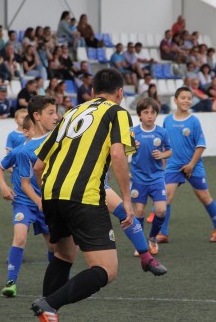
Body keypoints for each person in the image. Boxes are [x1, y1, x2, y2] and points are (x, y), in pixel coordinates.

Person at [30, 68, 136, 320]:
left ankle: (47, 313)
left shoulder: (71, 113)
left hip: (53, 192)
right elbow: (118, 154)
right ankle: (48, 304)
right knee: (106, 269)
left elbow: (38, 165)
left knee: (64, 255)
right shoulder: (116, 111)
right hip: (84, 195)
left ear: (92, 92)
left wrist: (47, 196)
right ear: (119, 92)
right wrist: (127, 200)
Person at [0, 97, 59, 298]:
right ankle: (11, 281)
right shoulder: (21, 151)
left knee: (53, 245)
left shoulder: (54, 142)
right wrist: (3, 186)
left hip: (46, 202)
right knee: (20, 236)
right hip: (25, 202)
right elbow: (0, 168)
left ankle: (58, 280)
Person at [155, 87, 216, 244]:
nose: (186, 100)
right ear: (175, 100)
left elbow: (201, 145)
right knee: (166, 197)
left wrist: (191, 165)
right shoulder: (168, 120)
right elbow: (165, 145)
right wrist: (163, 165)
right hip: (173, 166)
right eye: (183, 97)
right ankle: (163, 233)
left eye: (189, 98)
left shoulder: (194, 121)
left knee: (203, 196)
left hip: (193, 165)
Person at [131, 98, 172, 255]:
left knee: (161, 211)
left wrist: (162, 154)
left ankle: (152, 238)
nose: (149, 115)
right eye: (146, 112)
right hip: (138, 178)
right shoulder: (133, 132)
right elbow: (124, 152)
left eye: (152, 112)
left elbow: (169, 151)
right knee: (139, 212)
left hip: (156, 177)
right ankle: (140, 245)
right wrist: (131, 148)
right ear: (140, 115)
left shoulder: (162, 132)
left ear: (156, 114)